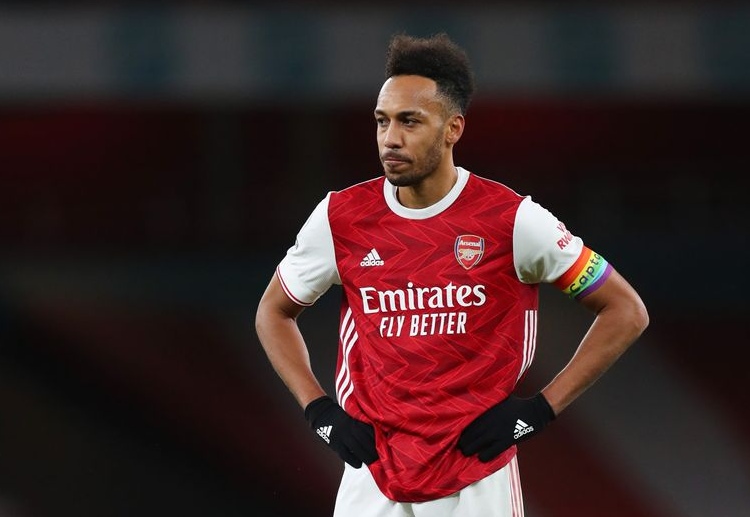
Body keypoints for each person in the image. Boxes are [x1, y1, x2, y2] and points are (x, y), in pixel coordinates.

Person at [255, 32, 649, 517]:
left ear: (452, 129)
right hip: (371, 476)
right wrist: (318, 411)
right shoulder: (341, 218)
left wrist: (540, 410)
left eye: (409, 121)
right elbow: (273, 311)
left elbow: (625, 310)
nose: (390, 138)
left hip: (475, 477)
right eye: (381, 121)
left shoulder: (512, 221)